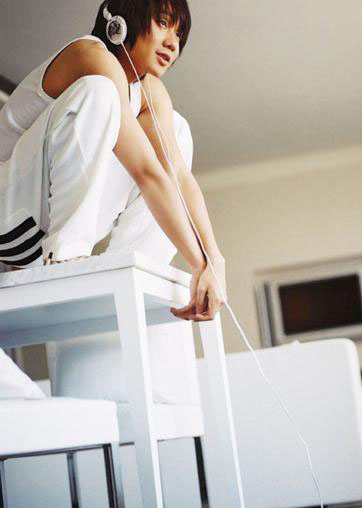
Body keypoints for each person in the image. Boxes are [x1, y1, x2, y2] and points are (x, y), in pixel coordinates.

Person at [0, 0, 227, 322]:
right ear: (119, 21)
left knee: (176, 130)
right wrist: (197, 262)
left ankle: (135, 267)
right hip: (9, 216)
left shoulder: (150, 91)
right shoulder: (89, 55)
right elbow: (147, 172)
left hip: (43, 223)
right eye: (163, 24)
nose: (173, 43)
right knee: (99, 91)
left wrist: (213, 260)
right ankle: (67, 256)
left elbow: (175, 174)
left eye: (179, 34)